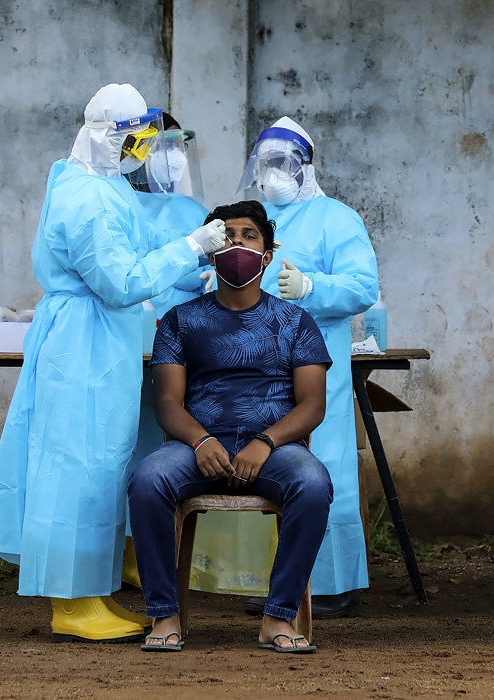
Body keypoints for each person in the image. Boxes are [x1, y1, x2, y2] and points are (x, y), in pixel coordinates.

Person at [0, 84, 226, 643]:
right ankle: (71, 602)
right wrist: (190, 248)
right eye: (134, 139)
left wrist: (194, 273)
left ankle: (94, 589)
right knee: (75, 465)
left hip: (100, 341)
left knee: (102, 464)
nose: (142, 150)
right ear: (107, 136)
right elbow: (118, 283)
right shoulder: (85, 198)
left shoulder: (99, 183)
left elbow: (133, 259)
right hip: (83, 342)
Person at [190, 117, 379, 618]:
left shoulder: (337, 219)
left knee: (324, 462)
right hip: (248, 363)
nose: (273, 173)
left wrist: (315, 289)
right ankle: (258, 580)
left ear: (306, 167)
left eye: (284, 163)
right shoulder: (250, 219)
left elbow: (363, 285)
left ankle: (332, 584)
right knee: (255, 462)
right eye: (266, 162)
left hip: (312, 360)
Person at [128, 201, 333, 653]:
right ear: (209, 250)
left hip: (275, 449)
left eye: (249, 235)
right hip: (197, 447)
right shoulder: (180, 321)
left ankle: (277, 618)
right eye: (227, 235)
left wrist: (265, 442)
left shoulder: (297, 322)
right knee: (147, 479)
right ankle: (164, 616)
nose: (237, 242)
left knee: (314, 484)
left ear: (267, 254)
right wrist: (199, 439)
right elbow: (166, 401)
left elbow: (312, 404)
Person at [122, 112, 213, 589]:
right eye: (163, 148)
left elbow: (212, 276)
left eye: (179, 147)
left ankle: (151, 552)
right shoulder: (116, 204)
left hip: (183, 351)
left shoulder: (192, 210)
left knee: (163, 447)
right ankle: (116, 551)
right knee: (122, 447)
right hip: (125, 346)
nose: (174, 158)